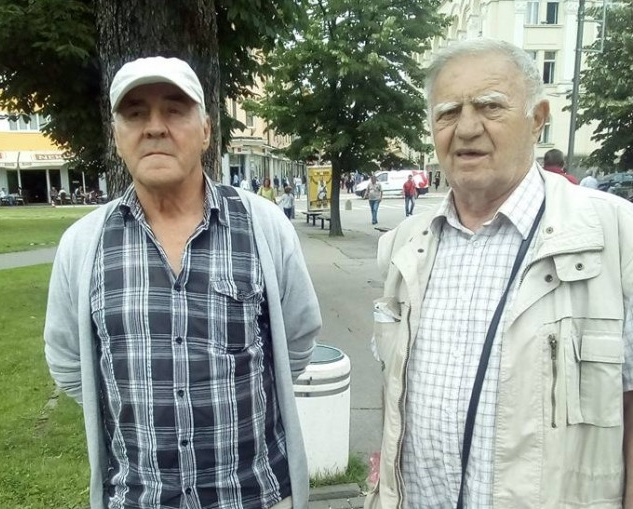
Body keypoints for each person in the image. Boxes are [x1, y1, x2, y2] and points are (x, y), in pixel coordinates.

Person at [44, 56, 321, 509]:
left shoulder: (263, 227)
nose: (155, 127)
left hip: (253, 496)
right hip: (138, 499)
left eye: (174, 110)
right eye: (135, 113)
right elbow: (68, 362)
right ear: (117, 136)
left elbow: (298, 340)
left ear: (206, 130)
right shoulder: (83, 244)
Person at [367, 39, 633, 509]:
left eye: (490, 106)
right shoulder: (404, 245)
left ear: (537, 118)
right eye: (448, 112)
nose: (467, 128)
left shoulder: (615, 236)